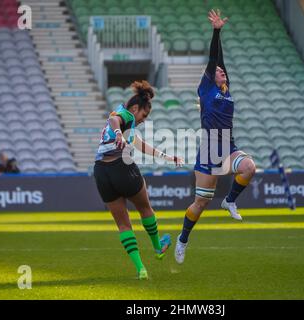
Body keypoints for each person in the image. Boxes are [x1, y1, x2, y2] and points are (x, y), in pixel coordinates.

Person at [174, 10, 256, 264]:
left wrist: (221, 35)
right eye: (217, 71)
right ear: (209, 77)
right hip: (209, 151)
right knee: (200, 204)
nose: (220, 71)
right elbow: (213, 58)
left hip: (228, 146)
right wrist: (216, 31)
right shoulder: (206, 87)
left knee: (249, 167)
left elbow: (220, 62)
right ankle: (183, 239)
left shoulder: (225, 88)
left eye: (222, 71)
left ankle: (230, 201)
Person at [94, 80, 184, 279]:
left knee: (123, 225)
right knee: (145, 208)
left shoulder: (128, 124)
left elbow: (141, 145)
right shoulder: (123, 115)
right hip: (121, 166)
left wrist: (168, 157)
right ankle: (158, 247)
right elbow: (114, 120)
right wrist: (118, 133)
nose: (144, 119)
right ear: (135, 108)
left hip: (100, 172)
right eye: (144, 114)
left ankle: (140, 269)